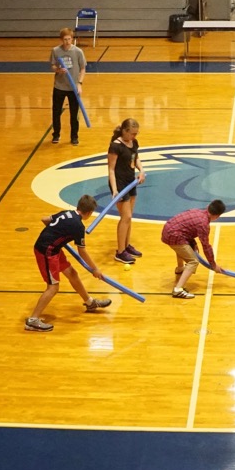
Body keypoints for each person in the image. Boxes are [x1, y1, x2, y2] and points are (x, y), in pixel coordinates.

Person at [26, 194, 112, 332]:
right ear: (89, 213)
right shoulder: (78, 226)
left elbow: (45, 220)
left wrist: (57, 234)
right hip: (46, 252)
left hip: (53, 249)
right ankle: (32, 320)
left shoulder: (67, 213)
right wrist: (95, 269)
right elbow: (82, 251)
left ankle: (90, 303)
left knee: (72, 273)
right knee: (53, 287)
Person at [161, 200, 226, 300]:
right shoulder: (204, 224)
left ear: (208, 206)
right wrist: (213, 264)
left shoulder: (196, 211)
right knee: (193, 261)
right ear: (217, 216)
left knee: (183, 248)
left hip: (168, 230)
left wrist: (193, 243)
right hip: (174, 236)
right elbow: (206, 246)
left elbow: (186, 228)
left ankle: (180, 268)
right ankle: (178, 290)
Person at [107, 117, 146, 265]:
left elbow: (135, 158)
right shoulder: (115, 146)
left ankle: (126, 245)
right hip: (120, 184)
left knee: (129, 217)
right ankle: (120, 252)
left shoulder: (133, 143)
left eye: (136, 134)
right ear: (125, 131)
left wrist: (141, 171)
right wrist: (115, 190)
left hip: (131, 181)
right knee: (126, 217)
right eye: (133, 134)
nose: (135, 137)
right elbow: (111, 170)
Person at [50, 27, 87, 145]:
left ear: (72, 38)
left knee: (74, 114)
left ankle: (74, 136)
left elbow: (82, 69)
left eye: (69, 39)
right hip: (59, 86)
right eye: (65, 39)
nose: (67, 41)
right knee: (56, 112)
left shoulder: (78, 52)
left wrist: (79, 84)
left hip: (73, 88)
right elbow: (53, 66)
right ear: (61, 39)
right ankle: (56, 134)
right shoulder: (56, 51)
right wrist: (58, 70)